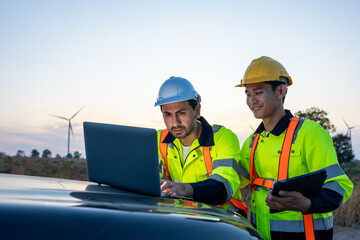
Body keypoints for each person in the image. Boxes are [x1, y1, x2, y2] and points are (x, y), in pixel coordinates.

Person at [236, 56, 353, 240]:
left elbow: (340, 185)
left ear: (280, 90)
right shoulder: (253, 141)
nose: (251, 101)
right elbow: (235, 178)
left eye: (258, 93)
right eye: (247, 94)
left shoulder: (310, 133)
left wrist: (307, 203)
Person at [155, 76, 248, 215]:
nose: (175, 123)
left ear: (197, 110)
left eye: (181, 113)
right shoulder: (157, 139)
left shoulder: (223, 138)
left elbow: (223, 187)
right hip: (179, 220)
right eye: (167, 114)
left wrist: (182, 189)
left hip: (222, 222)